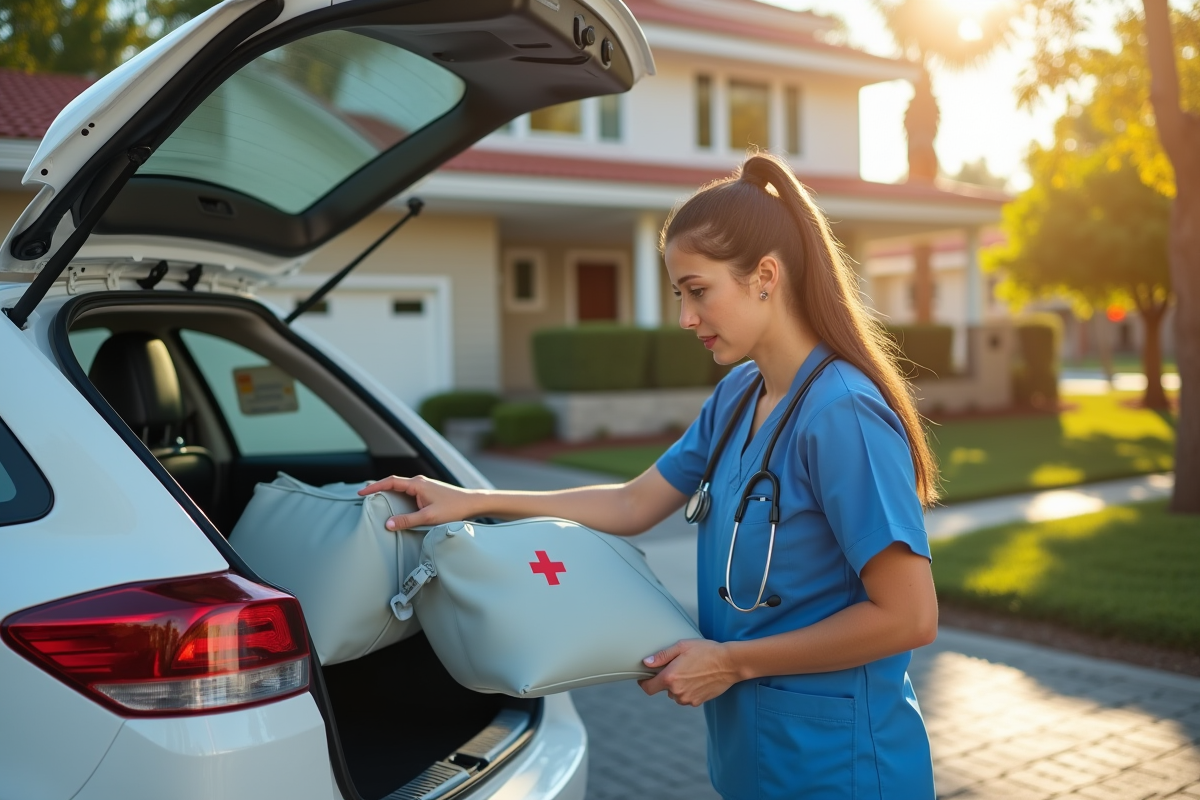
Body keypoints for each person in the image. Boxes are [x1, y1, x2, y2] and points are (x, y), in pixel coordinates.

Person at [359, 152, 940, 800]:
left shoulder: (843, 415)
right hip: (754, 760)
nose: (686, 317)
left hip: (846, 770)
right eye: (679, 296)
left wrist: (729, 661)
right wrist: (474, 501)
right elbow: (634, 502)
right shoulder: (739, 396)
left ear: (765, 277)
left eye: (698, 291)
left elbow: (909, 616)